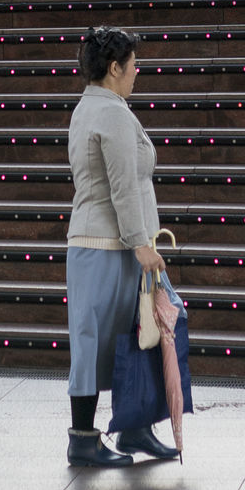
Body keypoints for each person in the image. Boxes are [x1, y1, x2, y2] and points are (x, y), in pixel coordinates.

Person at [66, 25, 179, 467]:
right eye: (133, 65)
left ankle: (132, 428)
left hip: (101, 245)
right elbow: (122, 187)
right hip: (109, 246)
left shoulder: (89, 106)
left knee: (126, 337)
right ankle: (84, 438)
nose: (137, 73)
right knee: (98, 341)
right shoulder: (112, 112)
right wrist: (140, 245)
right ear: (114, 68)